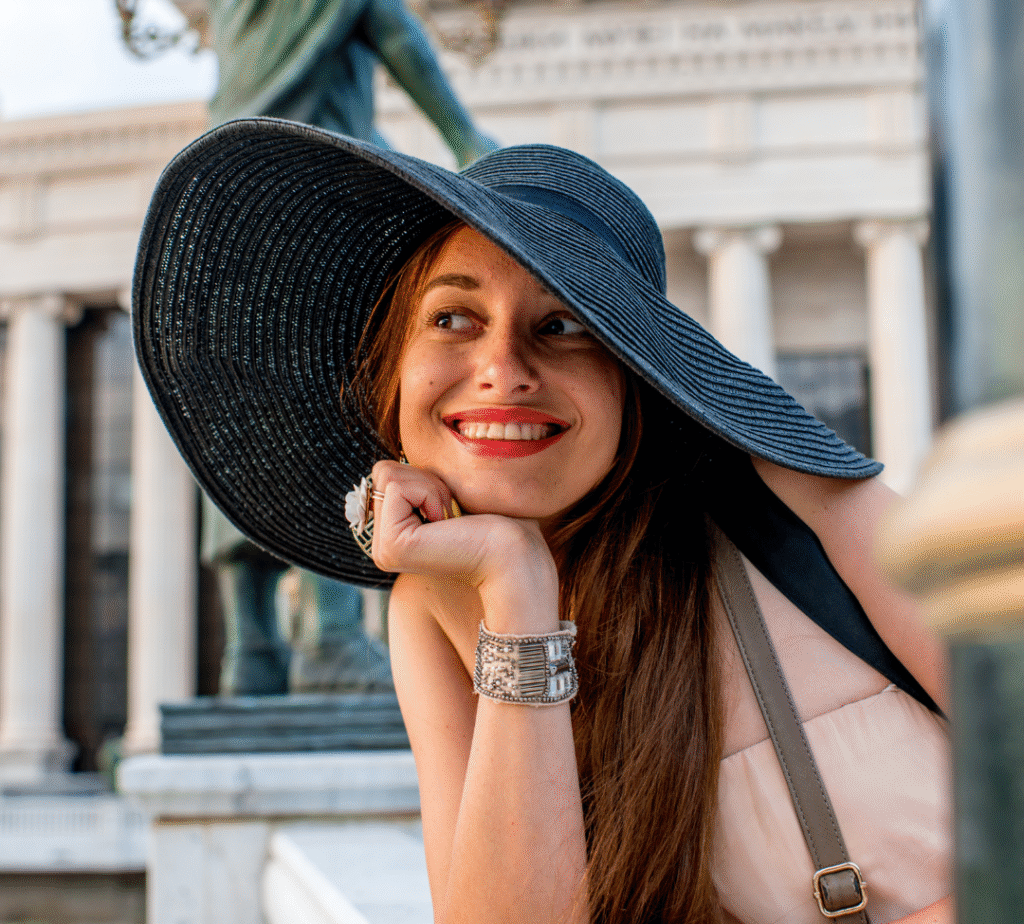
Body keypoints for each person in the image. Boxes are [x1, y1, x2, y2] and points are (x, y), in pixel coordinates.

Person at [133, 118, 952, 924]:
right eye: (454, 318)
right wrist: (515, 586)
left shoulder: (789, 498)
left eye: (563, 327)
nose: (502, 371)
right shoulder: (435, 607)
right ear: (394, 369)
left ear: (633, 379)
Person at [203, 0, 499, 694]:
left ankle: (251, 648)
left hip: (233, 183)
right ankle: (332, 636)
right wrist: (464, 137)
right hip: (316, 195)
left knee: (237, 404)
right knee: (328, 397)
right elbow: (391, 28)